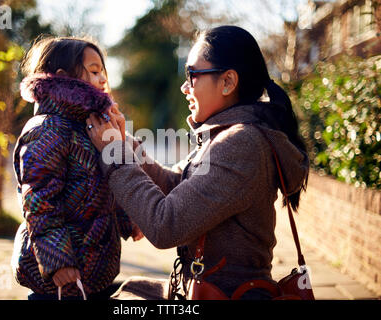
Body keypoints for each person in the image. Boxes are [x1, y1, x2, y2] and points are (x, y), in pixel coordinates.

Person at [86, 25, 310, 300]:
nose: (184, 87)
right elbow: (174, 184)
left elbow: (165, 225)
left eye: (192, 75)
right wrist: (123, 142)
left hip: (225, 294)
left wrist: (116, 156)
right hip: (208, 288)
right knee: (127, 290)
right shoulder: (227, 136)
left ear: (228, 82)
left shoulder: (242, 144)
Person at [10, 36, 142, 300]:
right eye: (94, 71)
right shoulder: (48, 128)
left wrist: (130, 220)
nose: (103, 78)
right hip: (59, 276)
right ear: (63, 77)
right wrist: (57, 261)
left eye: (104, 71)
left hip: (96, 269)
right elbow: (39, 202)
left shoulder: (92, 127)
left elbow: (107, 184)